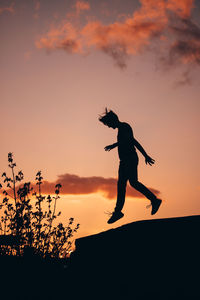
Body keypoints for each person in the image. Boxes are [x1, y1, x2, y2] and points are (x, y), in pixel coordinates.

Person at [99, 108, 162, 224]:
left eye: (108, 124)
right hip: (125, 160)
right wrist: (145, 155)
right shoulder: (122, 128)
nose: (108, 127)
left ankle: (152, 200)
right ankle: (119, 211)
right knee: (126, 184)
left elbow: (130, 141)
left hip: (129, 159)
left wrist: (145, 155)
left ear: (113, 121)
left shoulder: (124, 127)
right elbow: (134, 141)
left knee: (128, 183)